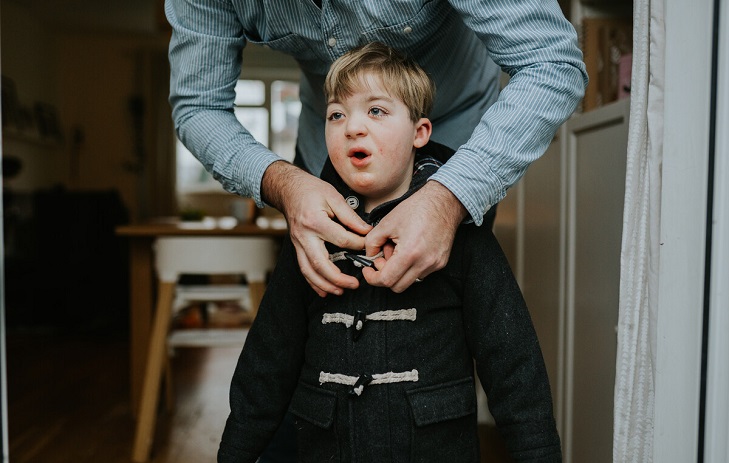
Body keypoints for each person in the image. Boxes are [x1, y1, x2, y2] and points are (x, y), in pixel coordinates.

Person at [217, 42, 560, 463]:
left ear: (419, 132)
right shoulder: (312, 232)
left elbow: (508, 344)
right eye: (337, 115)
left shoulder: (459, 231)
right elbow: (272, 345)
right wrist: (243, 438)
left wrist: (532, 442)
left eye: (376, 111)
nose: (352, 128)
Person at [164, 0, 588, 298]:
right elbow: (199, 106)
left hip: (461, 146)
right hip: (317, 164)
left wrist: (449, 197)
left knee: (441, 330)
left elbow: (551, 62)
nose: (357, 129)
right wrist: (283, 183)